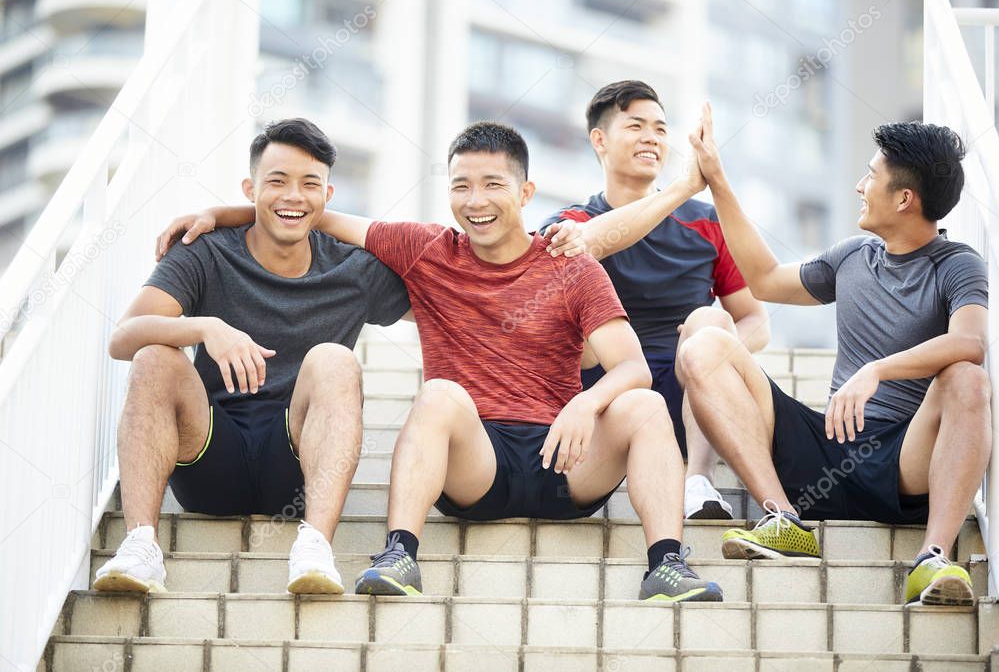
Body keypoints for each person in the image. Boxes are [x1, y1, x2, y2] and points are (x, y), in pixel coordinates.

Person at [165, 121, 723, 602]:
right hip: (475, 463)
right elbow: (313, 215)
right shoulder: (427, 249)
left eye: (492, 185)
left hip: (563, 456)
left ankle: (666, 563)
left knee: (646, 405)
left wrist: (587, 401)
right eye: (461, 186)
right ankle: (399, 556)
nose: (475, 201)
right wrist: (223, 213)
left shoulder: (569, 262)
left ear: (525, 191)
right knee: (439, 394)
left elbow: (633, 367)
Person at [679, 104, 989, 607]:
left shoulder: (957, 265)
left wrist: (878, 369)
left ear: (905, 198)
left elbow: (970, 343)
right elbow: (764, 279)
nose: (860, 187)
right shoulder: (851, 256)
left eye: (871, 176)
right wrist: (717, 180)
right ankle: (782, 518)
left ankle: (934, 556)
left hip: (903, 462)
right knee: (705, 345)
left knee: (968, 380)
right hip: (825, 447)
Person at [94, 118, 410, 595]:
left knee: (335, 360)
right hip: (209, 456)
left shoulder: (353, 268)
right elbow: (124, 337)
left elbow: (453, 298)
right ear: (251, 188)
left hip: (295, 466)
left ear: (328, 195)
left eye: (309, 184)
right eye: (277, 181)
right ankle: (140, 547)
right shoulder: (206, 251)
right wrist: (205, 327)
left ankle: (315, 546)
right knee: (155, 355)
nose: (293, 196)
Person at [540, 81, 770, 520]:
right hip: (602, 390)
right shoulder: (572, 222)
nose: (652, 137)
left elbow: (756, 319)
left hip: (691, 392)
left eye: (662, 129)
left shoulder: (706, 223)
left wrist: (713, 350)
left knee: (708, 320)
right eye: (637, 126)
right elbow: (582, 247)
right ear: (599, 140)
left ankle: (697, 482)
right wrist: (683, 188)